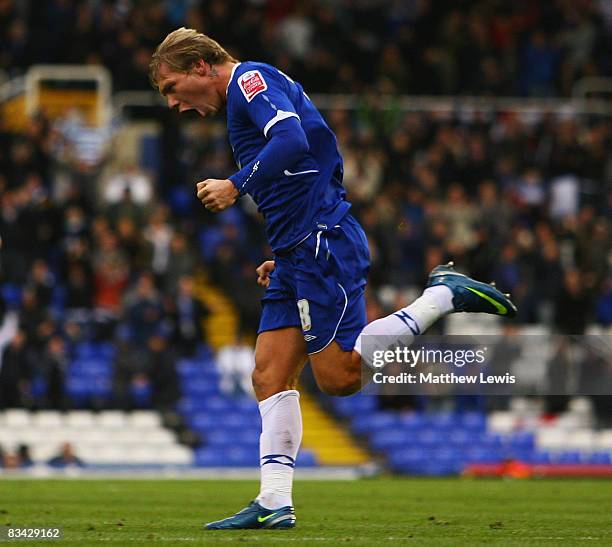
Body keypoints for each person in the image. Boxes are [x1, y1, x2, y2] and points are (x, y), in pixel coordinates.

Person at [149, 27, 517, 530]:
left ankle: (439, 297)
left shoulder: (249, 81)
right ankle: (274, 501)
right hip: (296, 252)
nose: (173, 104)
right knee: (268, 375)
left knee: (338, 378)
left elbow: (292, 140)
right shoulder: (242, 98)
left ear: (199, 67)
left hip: (322, 243)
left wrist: (235, 185)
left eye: (171, 88)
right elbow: (304, 169)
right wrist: (282, 253)